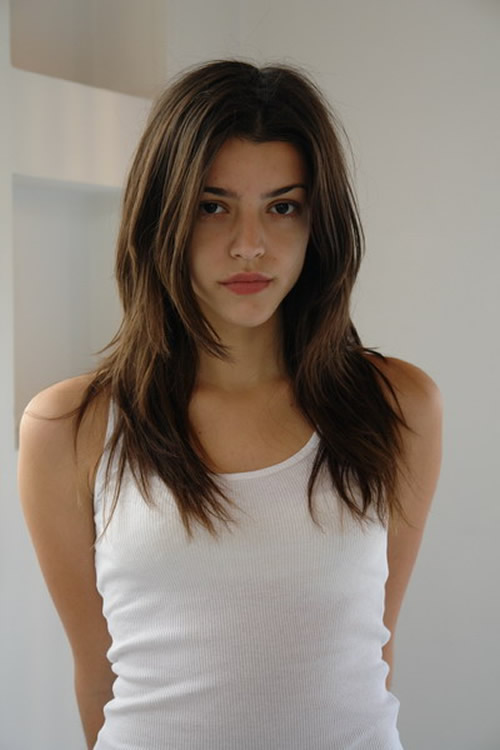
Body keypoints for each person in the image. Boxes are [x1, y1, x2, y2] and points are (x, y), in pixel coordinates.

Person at [18, 59, 443, 750]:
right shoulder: (69, 428)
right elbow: (98, 679)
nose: (250, 246)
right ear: (162, 217)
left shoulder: (398, 407)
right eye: (212, 207)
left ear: (319, 222)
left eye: (283, 206)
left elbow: (372, 649)